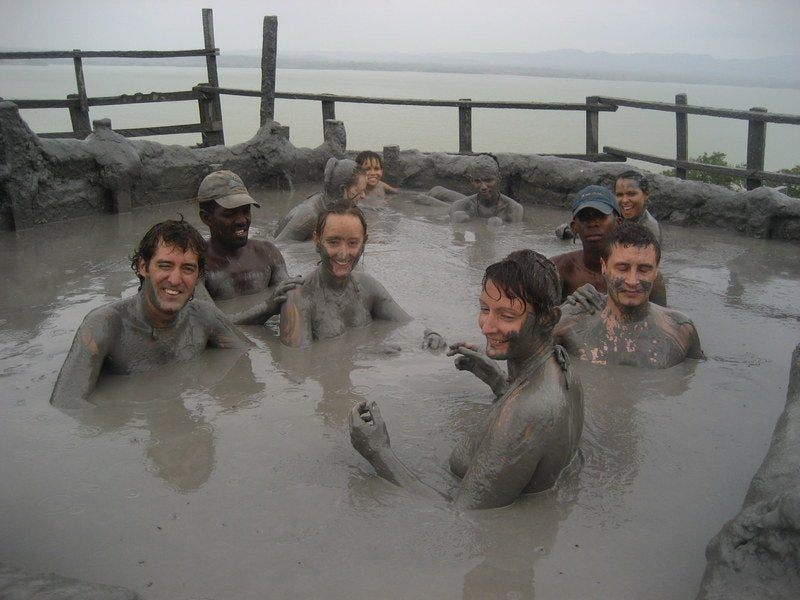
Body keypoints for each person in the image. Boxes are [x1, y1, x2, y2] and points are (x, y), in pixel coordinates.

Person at [350, 250, 583, 509]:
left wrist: (378, 452)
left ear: (548, 319)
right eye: (485, 308)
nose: (486, 326)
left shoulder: (529, 411)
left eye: (506, 316)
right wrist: (497, 382)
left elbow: (461, 514)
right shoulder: (562, 367)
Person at [50, 219, 251, 409]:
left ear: (198, 276)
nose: (175, 279)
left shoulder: (203, 315)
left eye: (187, 268)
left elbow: (248, 355)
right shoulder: (105, 325)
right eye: (165, 265)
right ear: (143, 267)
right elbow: (67, 403)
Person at [555, 222, 703, 368]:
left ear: (656, 270)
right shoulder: (569, 323)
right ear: (604, 266)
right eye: (622, 268)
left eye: (644, 269)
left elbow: (696, 376)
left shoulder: (681, 329)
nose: (632, 281)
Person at [279, 205, 412, 347]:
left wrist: (428, 335)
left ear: (364, 242)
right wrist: (365, 353)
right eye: (333, 242)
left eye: (353, 243)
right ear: (317, 241)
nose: (343, 253)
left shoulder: (368, 286)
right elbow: (296, 362)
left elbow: (408, 326)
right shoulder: (298, 297)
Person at [196, 169, 303, 324]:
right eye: (229, 214)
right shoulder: (196, 266)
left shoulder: (268, 253)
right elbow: (210, 324)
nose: (242, 220)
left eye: (246, 210)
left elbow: (289, 297)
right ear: (206, 218)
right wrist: (267, 307)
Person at [550, 185, 667, 306]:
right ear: (574, 228)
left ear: (618, 223)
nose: (593, 223)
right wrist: (567, 307)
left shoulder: (647, 276)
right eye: (585, 217)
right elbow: (539, 318)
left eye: (600, 216)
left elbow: (661, 319)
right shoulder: (558, 269)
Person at [274, 157, 367, 242]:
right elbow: (279, 247)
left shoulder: (328, 205)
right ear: (343, 190)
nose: (364, 196)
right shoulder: (310, 215)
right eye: (360, 191)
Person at [449, 155, 523, 225]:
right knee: (458, 216)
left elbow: (515, 234)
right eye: (477, 181)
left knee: (495, 222)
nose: (483, 187)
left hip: (498, 231)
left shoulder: (513, 208)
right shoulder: (459, 206)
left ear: (499, 178)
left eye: (488, 180)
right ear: (472, 181)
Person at [614, 170, 662, 245]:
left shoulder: (649, 231)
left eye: (631, 194)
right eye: (619, 195)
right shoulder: (614, 218)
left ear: (646, 195)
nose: (624, 200)